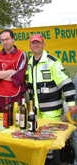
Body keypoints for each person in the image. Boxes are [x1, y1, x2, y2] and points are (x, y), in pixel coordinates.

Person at [26, 34, 77, 165]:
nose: (36, 45)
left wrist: (71, 103)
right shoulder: (30, 63)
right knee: (40, 141)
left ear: (43, 44)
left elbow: (67, 83)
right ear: (30, 46)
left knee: (52, 142)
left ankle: (55, 162)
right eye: (33, 43)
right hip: (36, 111)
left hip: (52, 112)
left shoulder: (52, 62)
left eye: (38, 43)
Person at [0, 29, 28, 112]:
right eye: (2, 40)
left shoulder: (22, 55)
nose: (5, 42)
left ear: (13, 39)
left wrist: (0, 74)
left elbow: (19, 77)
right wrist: (11, 72)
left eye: (7, 39)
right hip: (1, 94)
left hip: (17, 95)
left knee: (18, 119)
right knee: (4, 120)